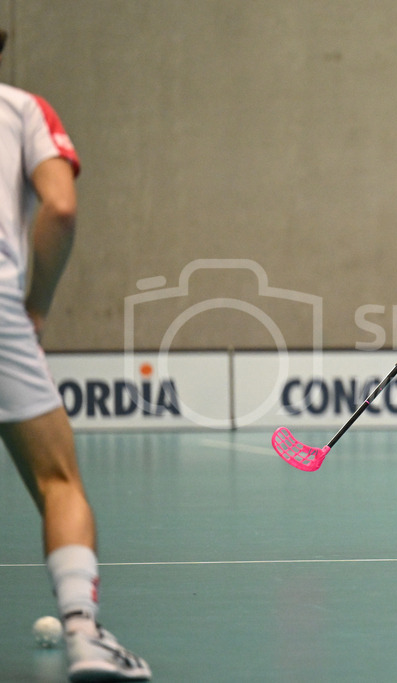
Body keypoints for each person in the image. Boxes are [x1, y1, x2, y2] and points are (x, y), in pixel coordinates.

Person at [0, 29, 151, 681]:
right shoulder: (22, 110)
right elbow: (59, 205)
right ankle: (84, 635)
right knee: (59, 479)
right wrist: (36, 303)